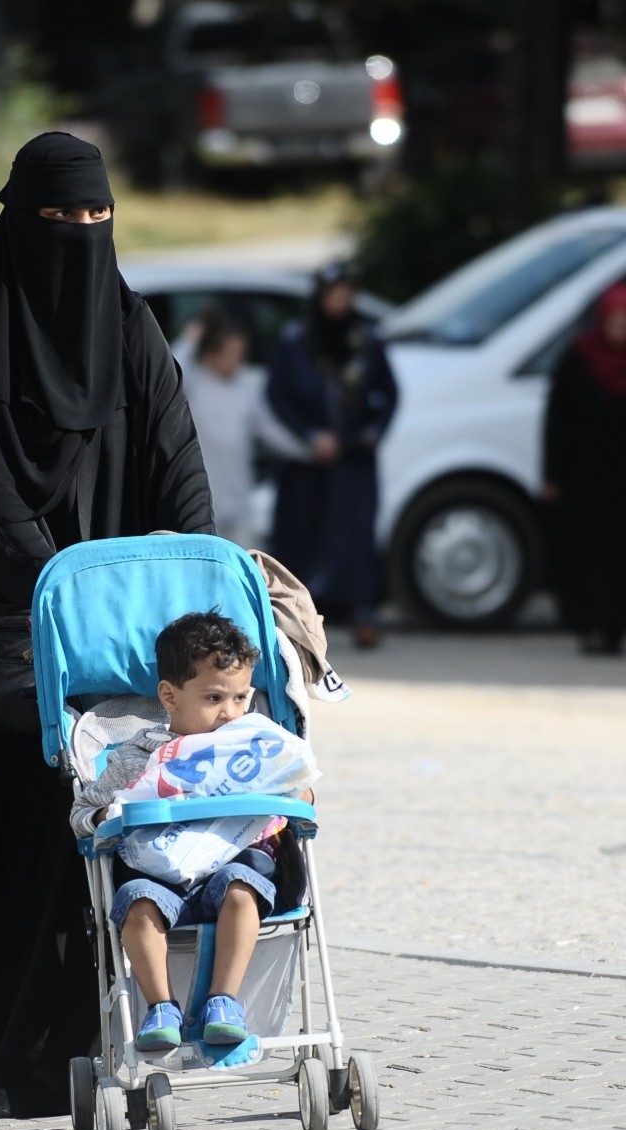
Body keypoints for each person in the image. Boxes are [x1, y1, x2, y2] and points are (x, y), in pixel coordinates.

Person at [0, 132, 214, 1116]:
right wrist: (73, 598)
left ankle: (50, 1051)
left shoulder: (129, 328)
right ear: (21, 223)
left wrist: (193, 595)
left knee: (106, 826)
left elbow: (180, 471)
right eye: (60, 220)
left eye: (97, 220)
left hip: (107, 642)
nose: (80, 238)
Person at [71, 611, 314, 1048]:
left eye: (241, 699)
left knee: (244, 890)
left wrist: (297, 798)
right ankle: (161, 1007)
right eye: (214, 698)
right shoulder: (138, 756)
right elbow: (83, 811)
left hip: (234, 871)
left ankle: (224, 1001)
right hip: (160, 878)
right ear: (170, 696)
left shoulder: (252, 748)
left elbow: (300, 790)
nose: (231, 713)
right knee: (136, 904)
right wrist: (107, 813)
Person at [540, 281, 626, 656]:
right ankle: (587, 625)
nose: (621, 331)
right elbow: (557, 419)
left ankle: (619, 627)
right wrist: (552, 474)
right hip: (584, 479)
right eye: (615, 323)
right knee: (587, 555)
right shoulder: (580, 357)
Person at [266, 262, 398, 649]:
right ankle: (296, 622)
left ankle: (362, 612)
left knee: (355, 535)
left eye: (346, 295)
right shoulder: (296, 341)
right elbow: (278, 397)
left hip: (354, 458)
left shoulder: (366, 339)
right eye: (333, 295)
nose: (340, 303)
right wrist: (309, 436)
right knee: (301, 536)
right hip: (306, 460)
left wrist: (371, 433)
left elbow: (388, 395)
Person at [181, 315, 311, 547]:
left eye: (240, 354)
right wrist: (189, 340)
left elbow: (271, 431)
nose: (237, 361)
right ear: (211, 353)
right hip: (203, 495)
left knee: (245, 559)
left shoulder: (245, 389)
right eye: (231, 354)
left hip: (239, 497)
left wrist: (308, 450)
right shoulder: (192, 383)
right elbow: (170, 369)